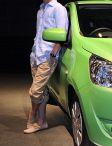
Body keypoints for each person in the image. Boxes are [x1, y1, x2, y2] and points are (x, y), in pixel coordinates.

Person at [24, 0, 68, 134]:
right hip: (36, 54)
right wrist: (33, 51)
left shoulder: (58, 8)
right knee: (41, 91)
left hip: (47, 56)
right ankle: (42, 122)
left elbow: (62, 33)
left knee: (35, 91)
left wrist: (53, 53)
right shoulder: (41, 9)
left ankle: (32, 117)